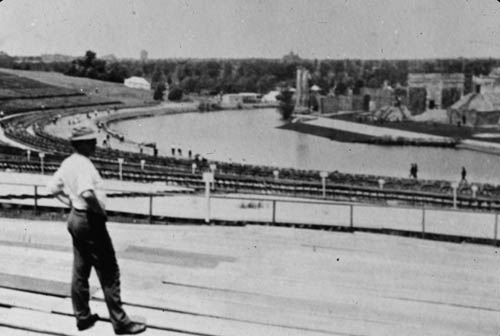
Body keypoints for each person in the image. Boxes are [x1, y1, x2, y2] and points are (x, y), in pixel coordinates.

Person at [47, 126, 146, 335]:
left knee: (80, 270)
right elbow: (86, 192)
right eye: (90, 141)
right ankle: (121, 323)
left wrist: (71, 204)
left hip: (76, 218)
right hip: (90, 221)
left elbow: (53, 188)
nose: (95, 144)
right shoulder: (84, 165)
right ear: (81, 144)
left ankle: (82, 317)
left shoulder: (68, 162)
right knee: (109, 271)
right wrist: (99, 211)